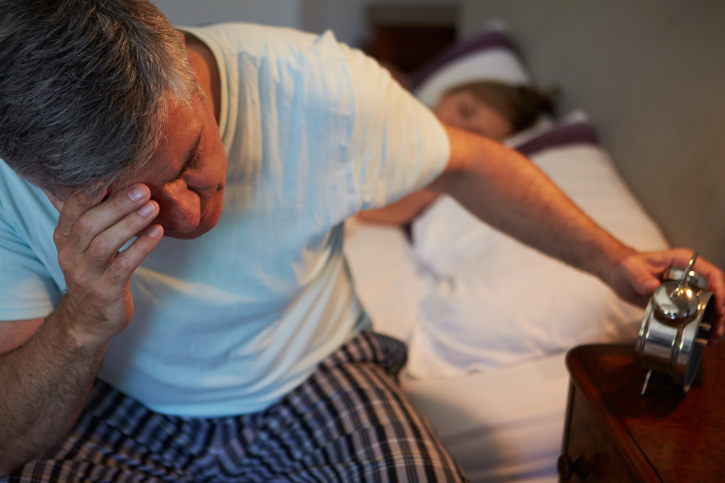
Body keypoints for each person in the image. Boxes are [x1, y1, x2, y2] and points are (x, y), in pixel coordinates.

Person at [0, 1, 723, 481]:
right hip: (115, 403)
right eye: (123, 202)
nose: (184, 215)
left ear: (187, 69)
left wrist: (615, 261)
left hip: (313, 372)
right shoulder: (10, 182)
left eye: (190, 159)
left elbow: (469, 163)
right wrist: (79, 324)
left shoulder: (317, 87)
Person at [358, 80, 556, 224]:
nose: (454, 126)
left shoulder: (430, 182)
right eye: (464, 109)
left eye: (472, 135)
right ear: (451, 91)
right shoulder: (382, 93)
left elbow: (368, 208)